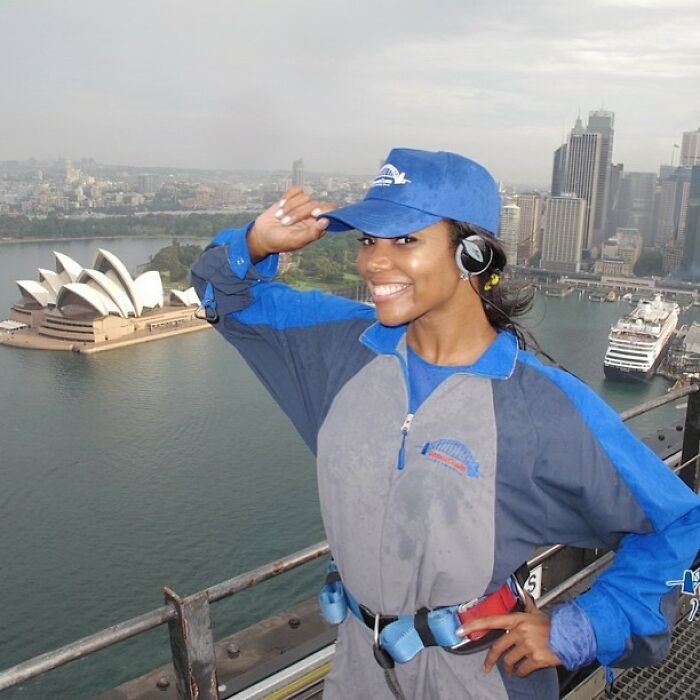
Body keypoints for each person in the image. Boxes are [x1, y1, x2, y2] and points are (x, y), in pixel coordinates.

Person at [191, 148, 700, 699]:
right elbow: (225, 295)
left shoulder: (543, 405)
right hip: (358, 668)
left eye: (405, 240)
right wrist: (254, 244)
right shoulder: (336, 348)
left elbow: (679, 526)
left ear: (474, 256)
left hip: (477, 677)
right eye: (368, 240)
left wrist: (580, 629)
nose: (372, 263)